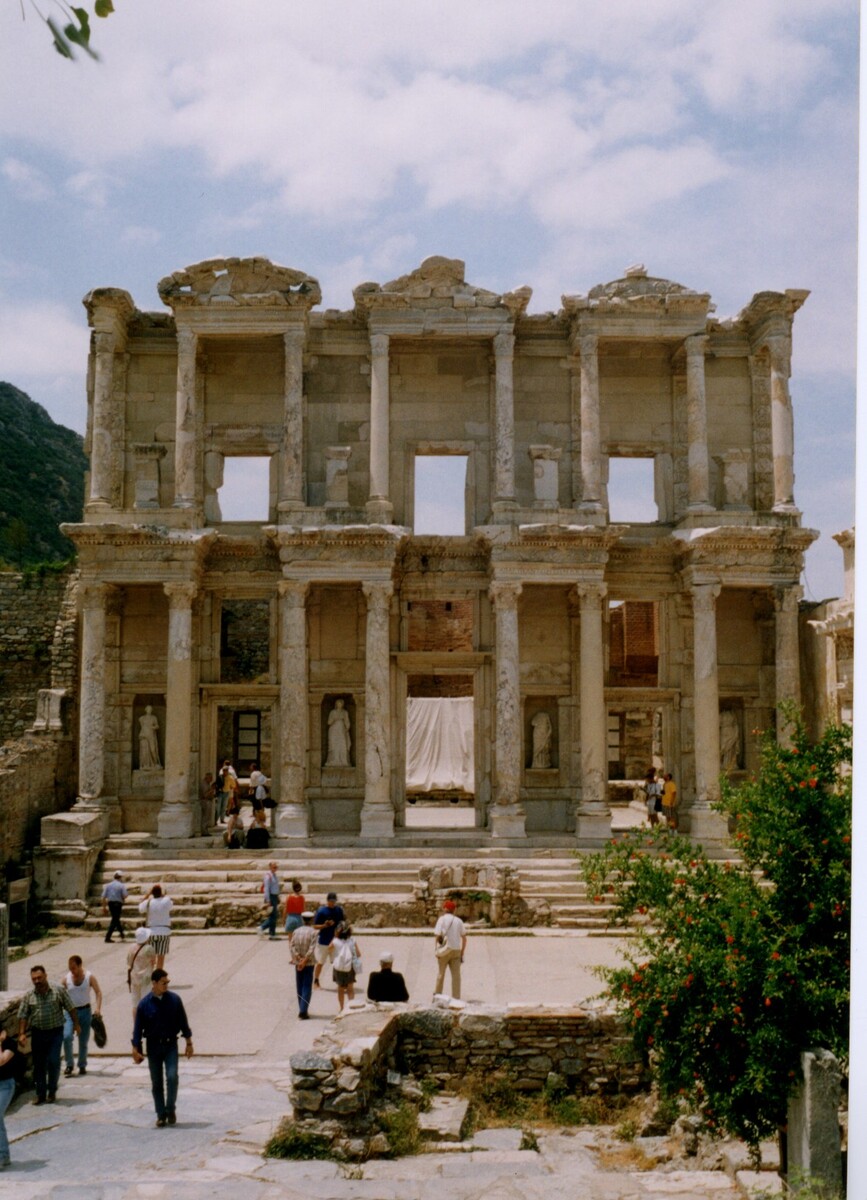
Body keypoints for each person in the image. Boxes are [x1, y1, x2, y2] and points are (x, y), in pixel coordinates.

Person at [132, 969, 193, 1128]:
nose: (166, 985)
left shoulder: (174, 1000)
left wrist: (189, 1042)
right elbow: (138, 1029)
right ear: (154, 983)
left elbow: (183, 1022)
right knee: (156, 1082)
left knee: (172, 1077)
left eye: (167, 983)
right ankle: (160, 1114)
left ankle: (170, 1108)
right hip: (153, 1047)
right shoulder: (144, 1005)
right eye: (163, 983)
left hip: (170, 1044)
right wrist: (136, 1048)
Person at [17, 964, 79, 1104]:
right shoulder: (29, 995)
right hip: (38, 1033)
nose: (37, 981)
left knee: (53, 1062)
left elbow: (71, 1008)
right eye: (34, 979)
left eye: (39, 977)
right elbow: (23, 1015)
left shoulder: (58, 990)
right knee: (39, 1064)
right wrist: (21, 1033)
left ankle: (52, 1091)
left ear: (45, 976)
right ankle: (40, 1094)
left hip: (55, 1032)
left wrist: (76, 1024)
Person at [61, 955, 102, 1077]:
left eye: (74, 968)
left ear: (80, 965)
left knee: (83, 1040)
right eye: (70, 968)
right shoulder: (66, 979)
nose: (72, 971)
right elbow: (59, 994)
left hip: (85, 1011)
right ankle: (69, 1064)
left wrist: (98, 1008)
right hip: (70, 1012)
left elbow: (98, 992)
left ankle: (82, 1065)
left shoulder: (89, 977)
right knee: (67, 1037)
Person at [433, 899, 466, 1000]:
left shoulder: (441, 920)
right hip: (456, 950)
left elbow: (437, 936)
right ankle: (456, 998)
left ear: (445, 909)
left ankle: (437, 996)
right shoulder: (459, 921)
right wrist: (462, 953)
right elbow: (464, 938)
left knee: (440, 974)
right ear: (454, 910)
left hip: (444, 950)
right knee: (456, 976)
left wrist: (436, 950)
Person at [312, 892, 345, 989]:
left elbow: (342, 923)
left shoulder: (338, 910)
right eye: (331, 901)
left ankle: (340, 982)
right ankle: (316, 980)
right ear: (327, 901)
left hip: (335, 941)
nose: (332, 903)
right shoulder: (322, 911)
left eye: (334, 901)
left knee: (337, 962)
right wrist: (324, 925)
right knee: (320, 962)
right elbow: (315, 926)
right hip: (324, 941)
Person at [290, 911, 317, 1019]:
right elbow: (312, 948)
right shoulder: (313, 932)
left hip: (298, 962)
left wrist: (298, 958)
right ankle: (303, 1010)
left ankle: (301, 1007)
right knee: (306, 986)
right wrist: (305, 960)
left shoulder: (296, 931)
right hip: (309, 963)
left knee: (299, 986)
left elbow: (292, 946)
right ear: (311, 920)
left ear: (302, 919)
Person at [0, 1027, 21, 1169]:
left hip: (5, 1086)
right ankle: (4, 1155)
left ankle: (2, 1156)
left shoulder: (10, 1044)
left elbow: (1, 1060)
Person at [138, 884, 173, 969]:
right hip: (164, 932)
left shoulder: (148, 902)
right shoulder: (166, 900)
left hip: (151, 932)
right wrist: (163, 895)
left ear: (152, 893)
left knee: (150, 956)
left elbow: (140, 908)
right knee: (161, 956)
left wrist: (148, 894)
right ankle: (159, 975)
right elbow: (171, 905)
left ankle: (150, 974)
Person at [127, 927, 157, 1020]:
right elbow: (153, 962)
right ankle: (147, 1024)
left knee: (135, 1004)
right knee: (147, 1002)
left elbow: (128, 962)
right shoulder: (149, 949)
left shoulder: (131, 947)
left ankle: (136, 1026)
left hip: (134, 977)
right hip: (146, 978)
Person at [331, 924, 360, 1012]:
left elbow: (329, 949)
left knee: (340, 988)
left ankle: (341, 1008)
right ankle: (351, 1007)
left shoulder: (335, 941)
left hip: (338, 967)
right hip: (350, 967)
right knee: (350, 988)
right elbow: (358, 954)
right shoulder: (352, 941)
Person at [101, 869, 128, 943]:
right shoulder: (121, 885)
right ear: (120, 877)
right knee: (115, 920)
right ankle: (108, 937)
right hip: (118, 904)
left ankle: (122, 934)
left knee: (115, 919)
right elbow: (125, 895)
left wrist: (104, 907)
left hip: (110, 904)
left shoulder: (108, 885)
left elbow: (103, 897)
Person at [325, 699, 351, 766]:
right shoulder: (332, 712)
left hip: (342, 730)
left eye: (341, 703)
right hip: (334, 730)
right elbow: (329, 722)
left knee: (342, 744)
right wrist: (335, 719)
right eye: (338, 703)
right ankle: (335, 760)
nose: (340, 705)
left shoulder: (345, 712)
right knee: (334, 745)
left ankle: (343, 760)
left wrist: (347, 729)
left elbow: (347, 722)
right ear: (336, 704)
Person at [259, 861, 281, 939]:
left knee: (273, 915)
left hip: (275, 896)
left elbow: (276, 887)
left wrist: (278, 897)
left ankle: (272, 933)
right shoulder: (268, 876)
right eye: (274, 867)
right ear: (270, 867)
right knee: (274, 916)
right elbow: (266, 889)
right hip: (271, 897)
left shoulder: (274, 875)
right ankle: (262, 927)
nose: (276, 869)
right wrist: (268, 900)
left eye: (276, 867)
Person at [138, 705, 162, 769]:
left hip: (151, 735)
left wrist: (153, 727)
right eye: (148, 709)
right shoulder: (142, 718)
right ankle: (145, 764)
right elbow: (142, 727)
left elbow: (157, 726)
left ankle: (155, 763)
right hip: (144, 734)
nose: (149, 710)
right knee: (144, 750)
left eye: (150, 709)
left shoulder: (154, 717)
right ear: (146, 710)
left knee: (153, 749)